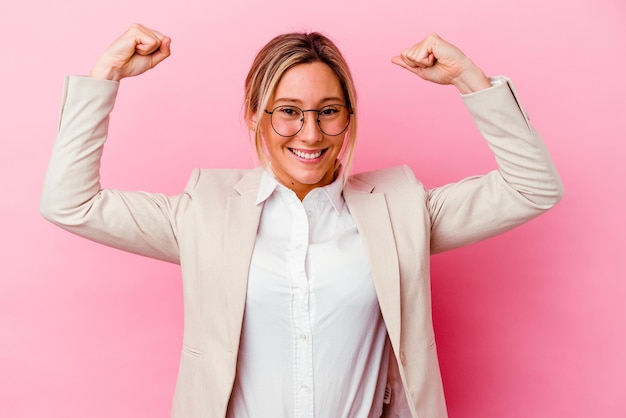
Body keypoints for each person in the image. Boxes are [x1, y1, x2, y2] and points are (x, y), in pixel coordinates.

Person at [40, 23, 563, 418]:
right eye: (288, 111)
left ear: (348, 117)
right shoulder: (204, 212)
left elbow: (531, 188)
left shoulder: (400, 210)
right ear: (255, 115)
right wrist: (105, 76)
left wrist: (471, 81)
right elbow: (71, 202)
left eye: (329, 111)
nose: (310, 134)